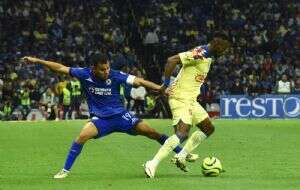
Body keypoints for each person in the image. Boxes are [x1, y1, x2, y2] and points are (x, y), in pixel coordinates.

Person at [21, 53, 198, 179]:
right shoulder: (84, 74)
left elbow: (138, 81)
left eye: (107, 68)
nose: (106, 72)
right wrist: (37, 60)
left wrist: (160, 88)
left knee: (153, 133)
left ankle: (182, 153)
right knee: (81, 137)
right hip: (101, 120)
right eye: (102, 69)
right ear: (94, 69)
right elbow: (60, 68)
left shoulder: (114, 75)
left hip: (122, 117)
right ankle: (64, 171)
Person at [144, 34, 231, 178]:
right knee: (182, 133)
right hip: (180, 97)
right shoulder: (200, 54)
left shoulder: (207, 54)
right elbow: (171, 60)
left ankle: (181, 156)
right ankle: (152, 163)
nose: (225, 53)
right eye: (224, 49)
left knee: (208, 128)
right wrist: (165, 85)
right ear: (218, 46)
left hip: (190, 99)